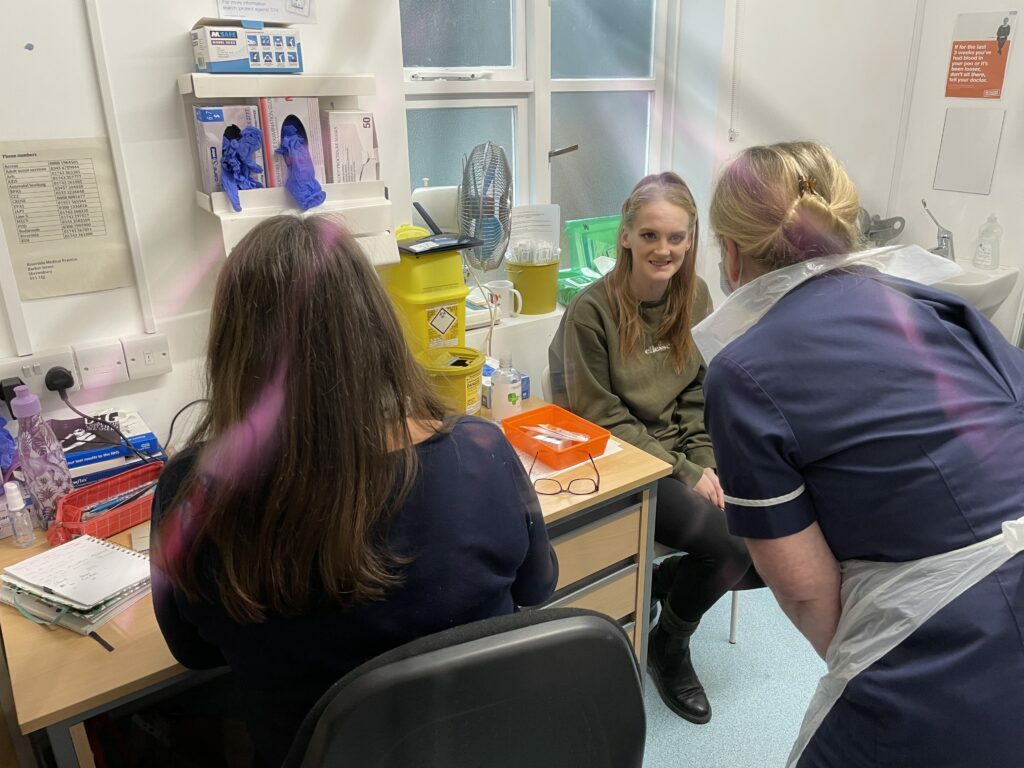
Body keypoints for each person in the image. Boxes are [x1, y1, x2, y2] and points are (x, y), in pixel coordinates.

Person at [151, 215, 558, 765]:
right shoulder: (481, 450)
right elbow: (538, 586)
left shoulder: (193, 493)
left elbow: (193, 652)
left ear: (233, 353)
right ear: (376, 327)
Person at [702, 140, 1024, 767]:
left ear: (732, 253)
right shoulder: (942, 303)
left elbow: (804, 592)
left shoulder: (745, 370)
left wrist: (875, 659)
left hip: (948, 628)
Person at [549, 172, 759, 724]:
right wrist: (687, 471)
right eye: (649, 235)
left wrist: (706, 461)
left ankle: (667, 585)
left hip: (677, 455)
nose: (662, 250)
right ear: (625, 236)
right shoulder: (590, 313)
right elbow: (601, 416)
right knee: (734, 547)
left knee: (770, 536)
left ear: (691, 240)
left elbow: (697, 392)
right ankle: (671, 645)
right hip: (620, 463)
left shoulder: (697, 299)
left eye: (676, 237)